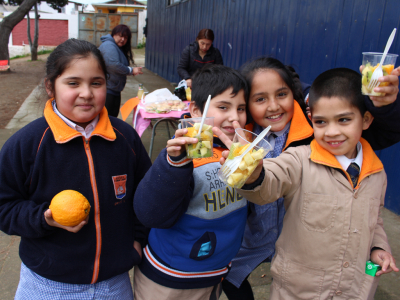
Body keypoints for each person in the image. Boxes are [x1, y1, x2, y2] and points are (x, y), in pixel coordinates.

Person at [218, 57, 400, 300]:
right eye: (260, 99)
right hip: (262, 240)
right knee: (230, 275)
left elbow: (372, 217)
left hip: (320, 255)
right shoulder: (244, 138)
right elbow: (270, 180)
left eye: (281, 94)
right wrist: (253, 176)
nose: (273, 106)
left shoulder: (321, 142)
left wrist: (383, 105)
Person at [0, 39, 152, 299]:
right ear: (51, 87)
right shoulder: (27, 144)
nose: (86, 93)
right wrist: (43, 218)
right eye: (73, 83)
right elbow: (4, 206)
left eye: (96, 82)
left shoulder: (125, 137)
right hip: (47, 284)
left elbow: (146, 196)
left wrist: (136, 243)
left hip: (114, 284)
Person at [133, 64, 248, 300]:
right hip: (169, 278)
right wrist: (174, 163)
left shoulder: (238, 154)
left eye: (241, 108)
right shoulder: (183, 156)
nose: (235, 117)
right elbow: (151, 213)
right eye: (223, 107)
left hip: (214, 273)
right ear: (196, 110)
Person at [99, 24, 143, 117]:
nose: (123, 39)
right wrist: (130, 70)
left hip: (113, 89)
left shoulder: (115, 46)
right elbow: (113, 65)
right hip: (107, 90)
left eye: (126, 37)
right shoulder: (109, 45)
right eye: (121, 36)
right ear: (114, 34)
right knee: (108, 119)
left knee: (112, 119)